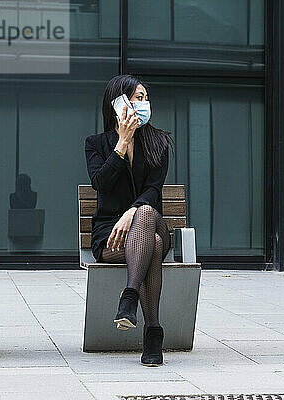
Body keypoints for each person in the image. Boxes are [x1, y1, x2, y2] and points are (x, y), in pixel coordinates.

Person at [84, 74, 175, 366]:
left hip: (148, 218)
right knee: (154, 244)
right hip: (111, 236)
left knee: (146, 214)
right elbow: (101, 183)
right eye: (138, 97)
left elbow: (153, 191)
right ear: (118, 103)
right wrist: (121, 143)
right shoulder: (96, 144)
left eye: (146, 98)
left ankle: (130, 296)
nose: (144, 103)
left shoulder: (159, 142)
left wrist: (131, 212)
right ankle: (153, 332)